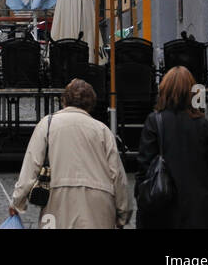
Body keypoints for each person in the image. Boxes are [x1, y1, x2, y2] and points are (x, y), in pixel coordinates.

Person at [10, 78, 132, 229]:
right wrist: (123, 213)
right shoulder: (103, 131)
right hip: (99, 204)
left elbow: (30, 167)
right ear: (91, 104)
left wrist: (17, 202)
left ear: (64, 100)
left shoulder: (47, 125)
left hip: (57, 203)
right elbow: (118, 176)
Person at [135, 66, 208, 229]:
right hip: (199, 210)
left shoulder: (154, 122)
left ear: (164, 91)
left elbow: (144, 165)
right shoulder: (205, 126)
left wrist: (141, 198)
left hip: (162, 207)